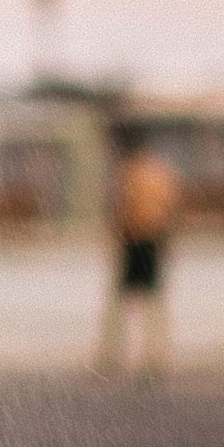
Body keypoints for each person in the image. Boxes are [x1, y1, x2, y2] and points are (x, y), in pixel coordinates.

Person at [95, 120, 181, 379]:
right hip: (155, 238)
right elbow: (172, 210)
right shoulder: (162, 172)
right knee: (154, 300)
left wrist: (114, 239)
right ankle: (155, 355)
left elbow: (121, 210)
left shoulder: (128, 173)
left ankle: (111, 353)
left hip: (133, 239)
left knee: (119, 301)